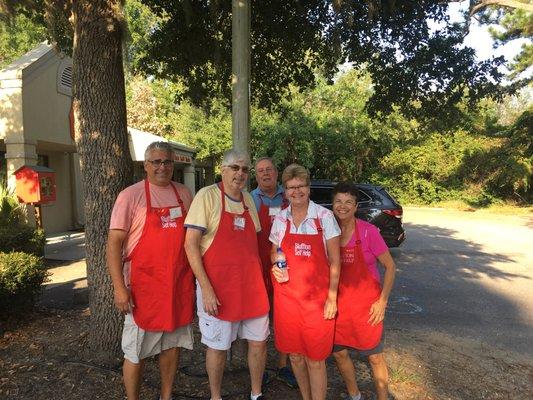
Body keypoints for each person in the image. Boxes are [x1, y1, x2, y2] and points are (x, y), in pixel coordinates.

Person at [106, 141, 195, 400]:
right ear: (146, 165)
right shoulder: (130, 196)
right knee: (135, 352)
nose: (162, 167)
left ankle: (166, 396)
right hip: (142, 288)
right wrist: (119, 288)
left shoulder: (184, 193)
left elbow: (194, 239)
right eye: (155, 162)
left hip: (177, 285)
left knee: (172, 344)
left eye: (167, 161)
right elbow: (113, 245)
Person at [184, 149, 270, 400]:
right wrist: (206, 289)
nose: (240, 173)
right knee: (218, 346)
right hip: (218, 290)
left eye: (245, 169)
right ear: (222, 169)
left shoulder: (248, 199)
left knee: (259, 342)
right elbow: (190, 245)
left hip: (250, 288)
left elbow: (252, 240)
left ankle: (256, 393)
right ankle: (216, 396)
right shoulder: (207, 197)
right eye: (235, 168)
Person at [270, 164, 341, 400]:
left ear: (309, 188)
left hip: (317, 301)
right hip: (287, 299)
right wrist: (277, 264)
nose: (296, 191)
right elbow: (273, 251)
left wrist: (332, 298)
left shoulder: (324, 217)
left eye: (300, 186)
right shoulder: (281, 218)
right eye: (291, 187)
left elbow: (335, 261)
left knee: (315, 358)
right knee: (295, 355)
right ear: (285, 191)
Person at [331, 182, 396, 400]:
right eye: (339, 201)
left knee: (375, 357)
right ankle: (354, 395)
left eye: (348, 202)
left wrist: (382, 301)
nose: (343, 206)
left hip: (367, 307)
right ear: (333, 205)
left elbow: (390, 267)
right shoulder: (329, 232)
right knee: (339, 353)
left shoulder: (368, 232)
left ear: (356, 206)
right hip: (339, 307)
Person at [250, 157, 296, 388]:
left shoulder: (289, 195)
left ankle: (283, 364)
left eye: (269, 169)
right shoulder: (249, 199)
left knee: (284, 316)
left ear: (276, 173)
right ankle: (260, 366)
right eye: (260, 171)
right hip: (257, 266)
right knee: (258, 318)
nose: (265, 174)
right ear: (256, 176)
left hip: (284, 266)